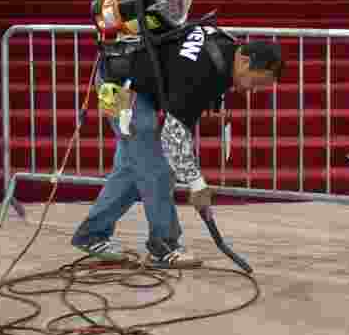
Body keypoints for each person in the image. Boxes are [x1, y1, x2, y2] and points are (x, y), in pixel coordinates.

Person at [71, 29, 284, 268]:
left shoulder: (226, 50)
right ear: (245, 61)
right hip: (121, 87)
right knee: (158, 169)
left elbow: (180, 123)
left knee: (133, 167)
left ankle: (92, 234)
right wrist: (196, 184)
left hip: (135, 84)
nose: (252, 90)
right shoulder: (204, 70)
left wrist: (193, 177)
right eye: (257, 81)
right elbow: (173, 136)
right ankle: (164, 246)